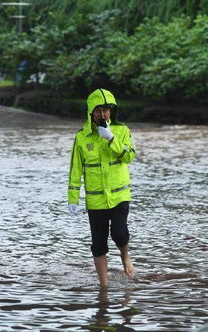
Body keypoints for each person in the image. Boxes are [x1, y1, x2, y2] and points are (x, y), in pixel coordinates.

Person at [67, 88, 137, 288]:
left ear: (112, 112)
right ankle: (104, 287)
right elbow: (75, 170)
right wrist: (73, 198)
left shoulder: (122, 131)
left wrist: (111, 139)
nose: (103, 114)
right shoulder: (82, 137)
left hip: (119, 196)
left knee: (119, 233)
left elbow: (130, 156)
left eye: (106, 110)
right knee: (98, 245)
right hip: (96, 199)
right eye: (98, 110)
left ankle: (125, 256)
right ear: (91, 112)